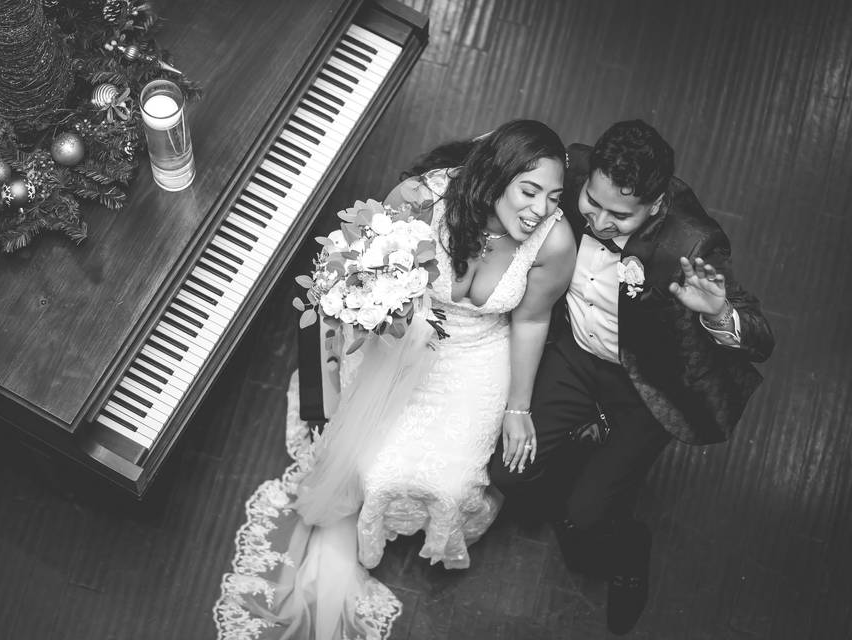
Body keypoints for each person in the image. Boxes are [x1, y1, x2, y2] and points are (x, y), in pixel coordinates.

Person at [213, 120, 577, 639]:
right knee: (373, 468)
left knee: (449, 480)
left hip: (478, 353)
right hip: (405, 338)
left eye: (554, 196)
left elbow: (532, 319)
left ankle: (430, 521)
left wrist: (518, 409)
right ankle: (366, 529)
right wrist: (350, 341)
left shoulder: (554, 240)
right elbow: (352, 269)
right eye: (529, 190)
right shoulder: (425, 197)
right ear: (496, 177)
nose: (540, 209)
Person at [488, 120, 775, 634]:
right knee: (509, 473)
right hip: (573, 355)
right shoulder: (571, 172)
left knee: (590, 517)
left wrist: (716, 313)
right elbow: (501, 163)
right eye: (590, 204)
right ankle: (574, 465)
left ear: (656, 206)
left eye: (619, 215)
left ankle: (627, 551)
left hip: (645, 385)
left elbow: (760, 338)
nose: (597, 222)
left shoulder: (693, 242)